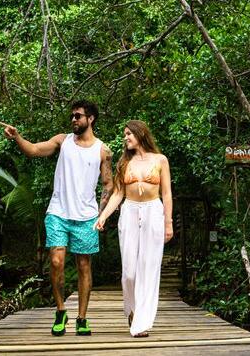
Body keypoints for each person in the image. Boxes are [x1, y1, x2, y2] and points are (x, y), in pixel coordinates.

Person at [1, 100, 113, 337]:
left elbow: (107, 185)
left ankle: (82, 318)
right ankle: (61, 310)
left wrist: (102, 214)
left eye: (78, 116)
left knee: (84, 265)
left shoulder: (103, 151)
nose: (73, 119)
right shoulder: (63, 141)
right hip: (58, 212)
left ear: (90, 119)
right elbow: (33, 150)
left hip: (86, 217)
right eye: (72, 116)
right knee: (56, 262)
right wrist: (17, 137)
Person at [94, 120, 173, 338]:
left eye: (129, 134)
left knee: (149, 268)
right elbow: (118, 194)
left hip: (153, 212)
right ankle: (132, 310)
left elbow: (166, 194)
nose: (126, 138)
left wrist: (168, 223)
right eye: (125, 135)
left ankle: (142, 322)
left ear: (140, 134)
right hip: (129, 212)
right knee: (129, 272)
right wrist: (103, 216)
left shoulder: (160, 160)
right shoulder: (124, 163)